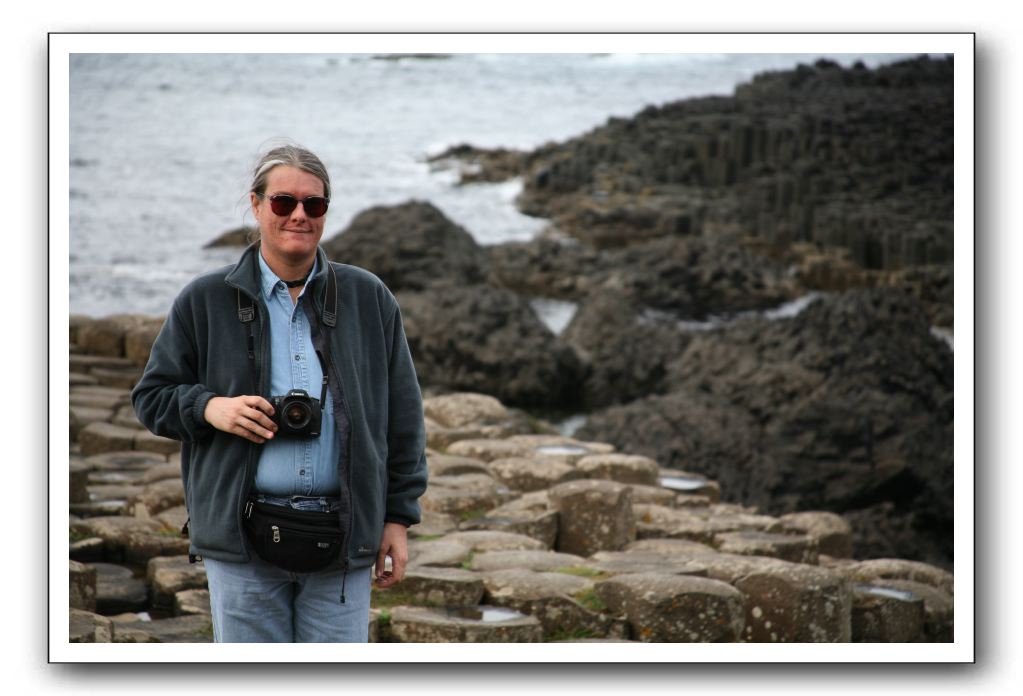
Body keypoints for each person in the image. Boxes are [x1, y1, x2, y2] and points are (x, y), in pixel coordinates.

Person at [131, 143, 428, 642]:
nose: (299, 215)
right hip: (241, 543)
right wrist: (210, 408)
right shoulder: (205, 300)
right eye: (283, 202)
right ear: (256, 205)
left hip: (344, 539)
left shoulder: (368, 298)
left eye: (314, 205)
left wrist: (397, 518)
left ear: (326, 212)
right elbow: (152, 397)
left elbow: (403, 417)